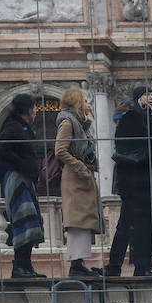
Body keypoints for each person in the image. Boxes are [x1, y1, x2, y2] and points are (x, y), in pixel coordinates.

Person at [108, 87, 152, 276]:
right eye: (146, 95)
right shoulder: (131, 118)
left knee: (141, 225)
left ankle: (131, 266)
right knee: (131, 225)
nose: (151, 98)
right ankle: (131, 266)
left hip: (147, 182)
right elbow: (124, 146)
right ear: (137, 99)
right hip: (134, 182)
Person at [0, 93, 46, 278]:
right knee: (23, 222)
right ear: (28, 109)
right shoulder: (13, 127)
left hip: (24, 179)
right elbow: (2, 152)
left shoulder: (21, 127)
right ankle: (20, 267)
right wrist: (21, 164)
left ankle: (25, 265)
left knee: (30, 222)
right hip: (17, 180)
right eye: (34, 107)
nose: (36, 111)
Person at [53, 87, 103, 279]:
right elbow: (60, 150)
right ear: (77, 103)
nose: (89, 104)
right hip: (76, 178)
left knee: (85, 219)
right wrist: (80, 167)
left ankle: (79, 262)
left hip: (82, 177)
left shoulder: (80, 124)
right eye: (86, 101)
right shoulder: (68, 122)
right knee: (78, 220)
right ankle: (76, 264)